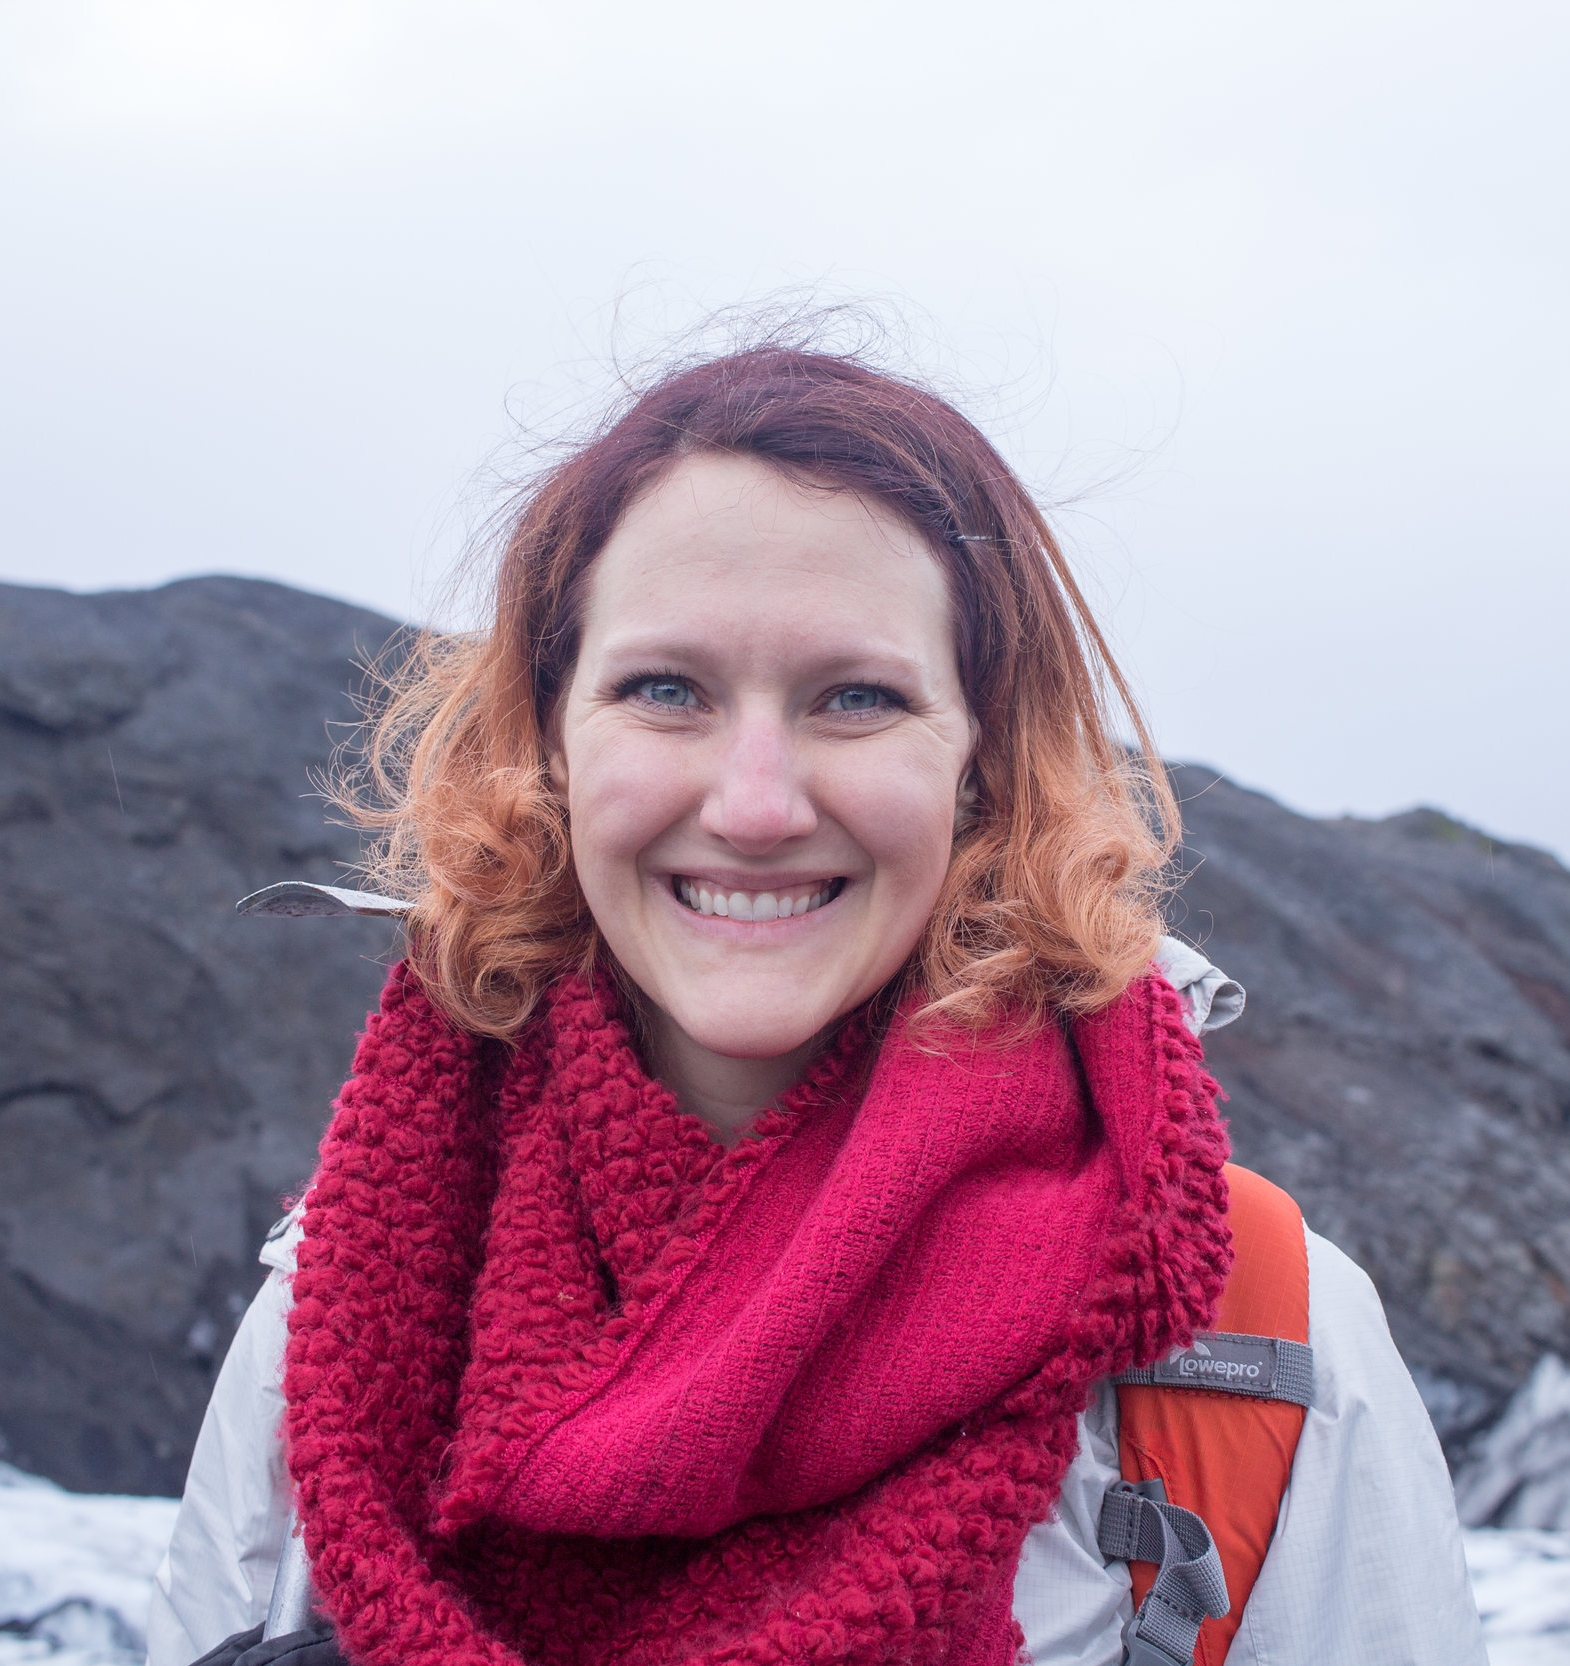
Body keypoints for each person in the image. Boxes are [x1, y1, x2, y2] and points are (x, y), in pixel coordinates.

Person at [147, 343, 1485, 1666]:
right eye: (664, 689)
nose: (754, 802)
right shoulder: (344, 1304)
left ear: (981, 759)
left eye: (856, 697)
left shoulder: (1250, 1326)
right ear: (550, 739)